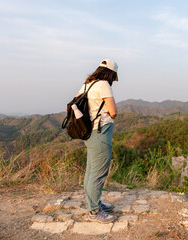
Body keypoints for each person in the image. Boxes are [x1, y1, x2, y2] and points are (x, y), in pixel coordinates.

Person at [77, 59, 118, 223]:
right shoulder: (103, 85)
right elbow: (113, 112)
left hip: (88, 132)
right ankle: (94, 211)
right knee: (99, 173)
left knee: (91, 171)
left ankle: (94, 203)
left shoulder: (87, 85)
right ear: (110, 73)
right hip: (101, 132)